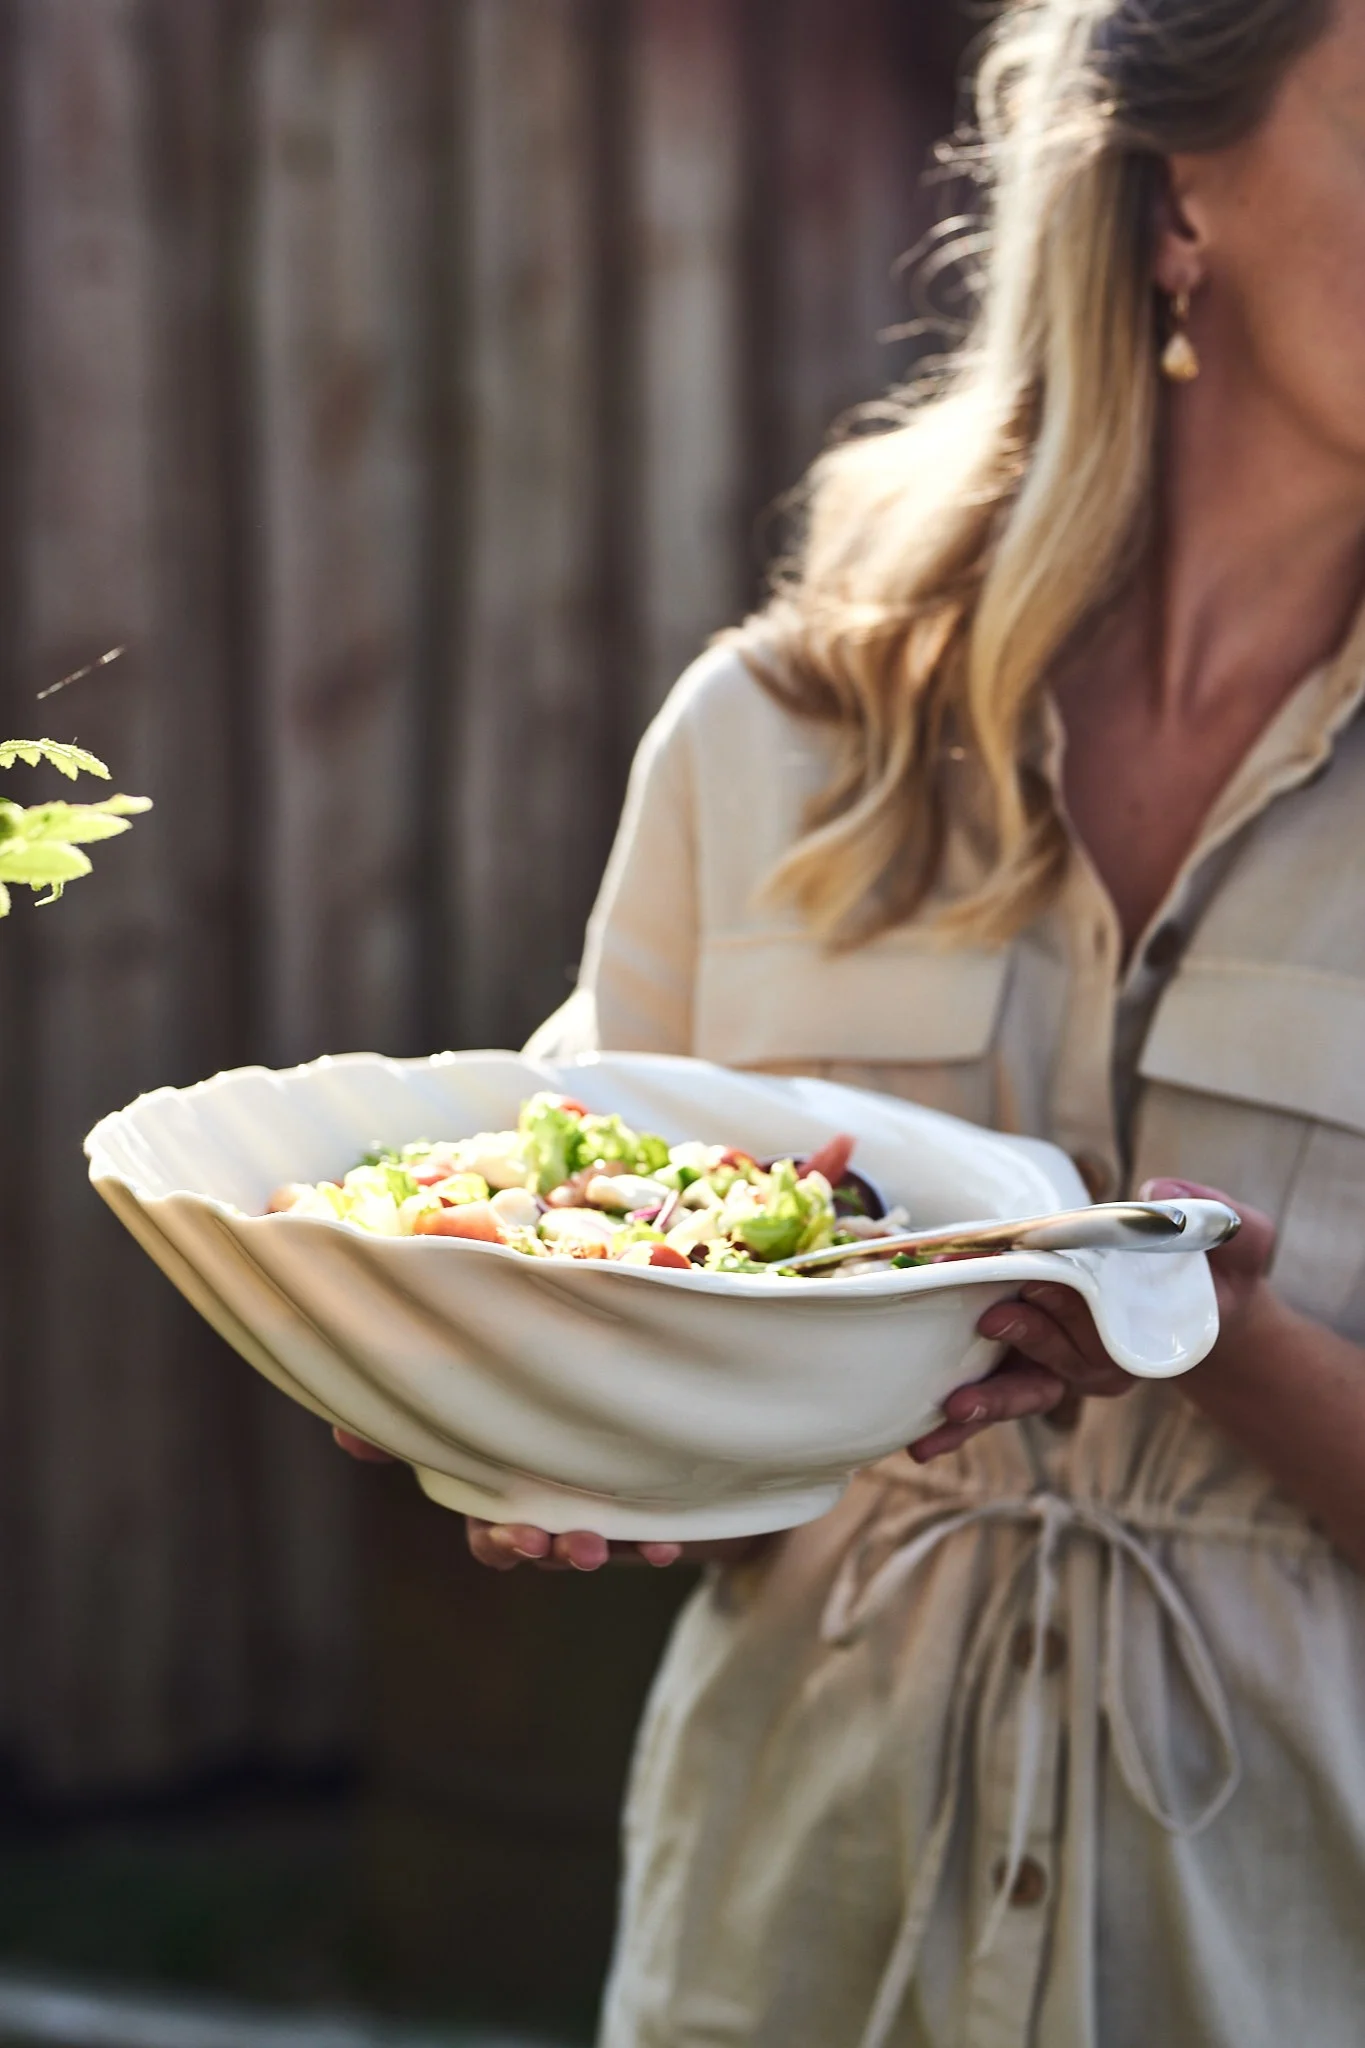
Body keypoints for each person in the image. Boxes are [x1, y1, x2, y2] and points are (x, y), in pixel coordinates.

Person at [343, 0, 1365, 2039]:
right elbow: (555, 1288)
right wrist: (549, 1435)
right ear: (1184, 199)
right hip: (783, 1947)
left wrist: (1220, 1348)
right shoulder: (772, 741)